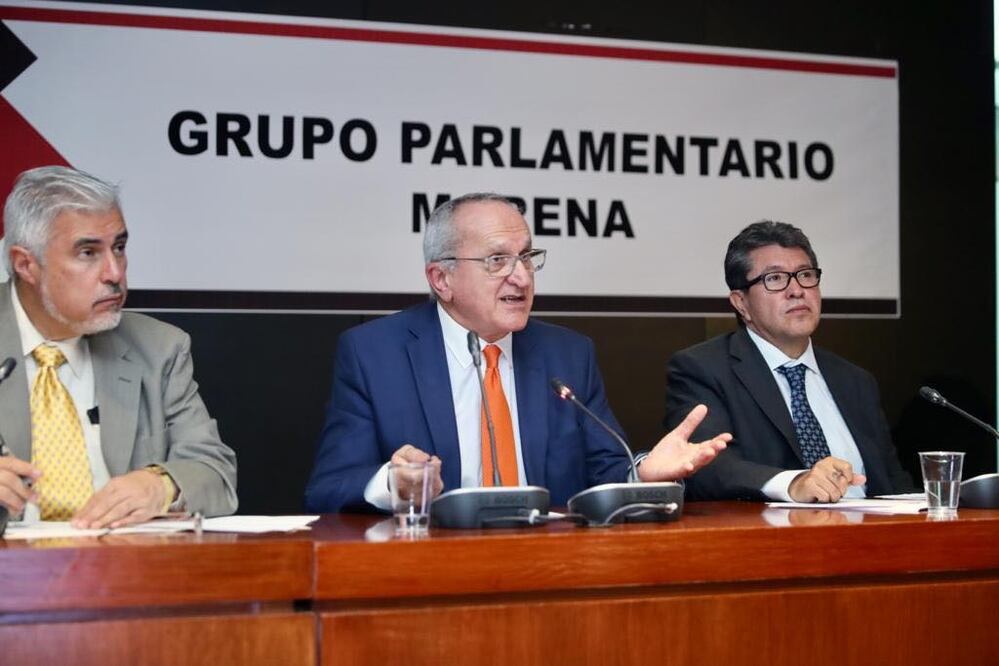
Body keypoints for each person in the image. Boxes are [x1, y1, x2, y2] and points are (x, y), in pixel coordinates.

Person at [305, 193, 730, 513]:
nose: (522, 278)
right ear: (441, 279)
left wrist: (643, 474)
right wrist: (393, 483)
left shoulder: (567, 354)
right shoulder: (376, 354)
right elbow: (329, 487)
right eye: (497, 261)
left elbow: (605, 472)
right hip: (433, 569)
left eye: (527, 257)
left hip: (549, 565)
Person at [0, 166, 237, 528]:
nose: (114, 273)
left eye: (120, 248)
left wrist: (162, 484)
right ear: (26, 264)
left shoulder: (158, 348)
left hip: (122, 569)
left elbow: (215, 473)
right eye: (88, 253)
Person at [664, 220, 914, 502]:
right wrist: (794, 483)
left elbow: (894, 483)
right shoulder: (703, 370)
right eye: (775, 279)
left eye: (805, 275)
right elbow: (707, 467)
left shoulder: (855, 381)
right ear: (740, 302)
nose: (796, 290)